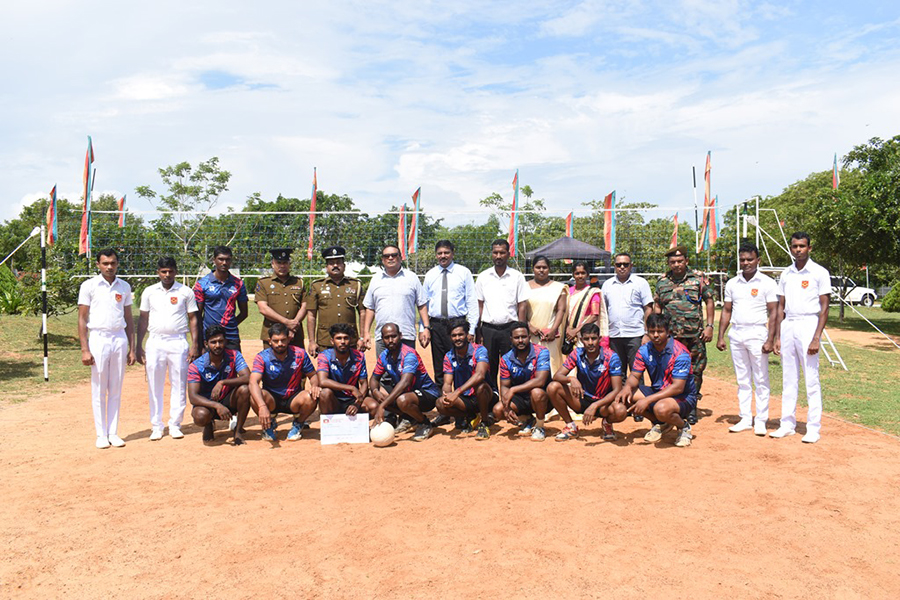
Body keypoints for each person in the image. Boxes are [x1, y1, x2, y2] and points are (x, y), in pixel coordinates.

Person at [772, 232, 831, 443]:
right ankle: (787, 424)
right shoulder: (786, 274)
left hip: (808, 324)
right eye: (795, 246)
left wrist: (816, 337)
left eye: (802, 246)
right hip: (789, 324)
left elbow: (824, 307)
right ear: (791, 247)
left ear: (809, 248)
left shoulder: (819, 272)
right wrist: (778, 336)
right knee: (789, 378)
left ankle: (813, 427)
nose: (798, 250)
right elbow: (780, 306)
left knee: (811, 378)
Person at [135, 257, 201, 441]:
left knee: (179, 383)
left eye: (170, 271)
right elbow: (143, 319)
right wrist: (138, 345)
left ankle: (175, 424)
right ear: (158, 272)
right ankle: (156, 426)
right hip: (155, 341)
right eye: (163, 271)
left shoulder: (185, 291)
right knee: (154, 384)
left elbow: (193, 318)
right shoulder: (149, 292)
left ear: (176, 271)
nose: (167, 275)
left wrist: (194, 344)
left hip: (178, 341)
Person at [716, 242, 778, 436]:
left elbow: (774, 311)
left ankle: (761, 420)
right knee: (742, 379)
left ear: (758, 260)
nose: (746, 263)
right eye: (742, 260)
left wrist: (770, 339)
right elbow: (727, 310)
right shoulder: (733, 283)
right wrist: (721, 336)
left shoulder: (767, 283)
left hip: (757, 333)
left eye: (750, 259)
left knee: (760, 378)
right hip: (737, 333)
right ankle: (745, 418)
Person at [78, 248, 136, 449]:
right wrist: (85, 349)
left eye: (112, 263)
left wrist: (132, 348)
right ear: (98, 265)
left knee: (116, 387)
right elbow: (82, 318)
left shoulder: (124, 286)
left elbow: (128, 318)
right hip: (99, 338)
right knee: (99, 387)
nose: (109, 267)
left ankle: (113, 432)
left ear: (117, 263)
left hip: (119, 337)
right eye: (105, 263)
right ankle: (101, 434)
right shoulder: (89, 286)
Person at [615, 313, 698, 448]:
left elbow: (678, 387)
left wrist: (647, 400)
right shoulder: (644, 350)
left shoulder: (680, 353)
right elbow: (635, 376)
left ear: (668, 332)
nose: (655, 335)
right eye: (652, 331)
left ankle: (684, 427)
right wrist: (626, 389)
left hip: (683, 397)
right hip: (659, 391)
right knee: (626, 397)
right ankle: (661, 423)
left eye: (660, 331)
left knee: (661, 408)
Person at [654, 246, 715, 424]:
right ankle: (672, 405)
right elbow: (658, 306)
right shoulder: (662, 281)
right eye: (673, 262)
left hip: (695, 336)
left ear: (686, 261)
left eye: (680, 261)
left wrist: (710, 326)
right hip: (671, 339)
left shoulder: (698, 279)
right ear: (668, 263)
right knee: (670, 372)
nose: (677, 264)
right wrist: (657, 330)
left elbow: (709, 300)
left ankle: (691, 408)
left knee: (695, 371)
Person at [548, 323, 624, 441]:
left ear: (599, 339)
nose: (590, 342)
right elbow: (557, 376)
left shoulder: (611, 357)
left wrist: (595, 405)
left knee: (620, 411)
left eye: (593, 338)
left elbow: (617, 389)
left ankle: (607, 423)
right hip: (581, 399)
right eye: (586, 339)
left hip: (603, 403)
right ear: (581, 340)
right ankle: (570, 426)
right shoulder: (577, 353)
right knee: (553, 387)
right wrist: (571, 379)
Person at [369, 323, 442, 442]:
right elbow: (373, 379)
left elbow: (405, 383)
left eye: (394, 336)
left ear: (400, 336)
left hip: (428, 394)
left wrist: (382, 405)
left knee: (402, 400)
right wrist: (375, 391)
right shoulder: (384, 356)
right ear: (382, 339)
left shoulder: (409, 354)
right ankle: (409, 418)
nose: (390, 340)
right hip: (407, 394)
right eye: (386, 337)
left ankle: (424, 423)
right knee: (373, 393)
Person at [249, 323, 320, 442]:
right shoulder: (262, 357)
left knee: (311, 397)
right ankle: (269, 424)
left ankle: (298, 423)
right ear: (269, 341)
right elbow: (253, 383)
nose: (280, 344)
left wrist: (315, 385)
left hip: (293, 398)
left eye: (283, 340)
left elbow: (312, 375)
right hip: (272, 400)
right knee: (254, 396)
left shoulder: (300, 354)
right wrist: (262, 406)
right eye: (276, 341)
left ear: (289, 339)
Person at [475, 239, 530, 392]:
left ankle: (513, 401)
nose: (498, 256)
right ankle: (492, 401)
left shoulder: (517, 277)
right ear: (491, 254)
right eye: (495, 252)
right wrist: (477, 329)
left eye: (502, 252)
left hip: (510, 329)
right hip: (488, 329)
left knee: (512, 365)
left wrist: (521, 329)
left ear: (509, 254)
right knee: (489, 365)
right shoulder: (483, 277)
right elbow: (479, 304)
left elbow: (522, 305)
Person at [422, 240, 479, 381]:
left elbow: (472, 301)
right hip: (437, 325)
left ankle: (463, 397)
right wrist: (424, 328)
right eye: (440, 253)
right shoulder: (430, 274)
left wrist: (471, 330)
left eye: (446, 252)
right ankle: (442, 396)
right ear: (436, 255)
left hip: (457, 323)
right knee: (439, 363)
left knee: (462, 361)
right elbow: (424, 304)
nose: (443, 256)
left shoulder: (464, 273)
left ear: (452, 253)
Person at [187, 325, 251, 445]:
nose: (217, 345)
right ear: (206, 344)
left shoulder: (234, 355)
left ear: (225, 341)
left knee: (245, 390)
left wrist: (222, 382)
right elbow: (193, 397)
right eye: (213, 342)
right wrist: (216, 405)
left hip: (228, 400)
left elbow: (248, 377)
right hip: (208, 404)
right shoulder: (196, 366)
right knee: (200, 416)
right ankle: (208, 424)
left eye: (221, 341)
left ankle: (238, 431)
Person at [362, 245, 430, 357]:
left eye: (394, 255)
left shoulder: (412, 278)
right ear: (383, 260)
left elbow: (422, 304)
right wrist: (366, 333)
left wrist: (426, 328)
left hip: (406, 335)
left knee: (407, 371)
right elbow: (370, 308)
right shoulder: (376, 280)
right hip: (382, 337)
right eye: (386, 256)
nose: (390, 258)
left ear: (400, 257)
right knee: (383, 372)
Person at [494, 322, 552, 441]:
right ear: (511, 339)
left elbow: (540, 381)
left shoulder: (541, 352)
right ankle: (527, 419)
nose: (520, 340)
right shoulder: (506, 359)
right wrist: (506, 406)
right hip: (520, 399)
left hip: (542, 398)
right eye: (516, 337)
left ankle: (540, 426)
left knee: (536, 392)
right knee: (498, 410)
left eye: (524, 337)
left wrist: (514, 389)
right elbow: (504, 386)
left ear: (529, 337)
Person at [435, 318, 492, 437]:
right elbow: (447, 383)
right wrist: (447, 396)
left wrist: (456, 392)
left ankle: (485, 422)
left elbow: (480, 375)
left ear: (466, 334)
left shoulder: (480, 350)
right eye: (454, 335)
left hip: (485, 395)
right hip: (464, 398)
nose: (457, 338)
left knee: (480, 387)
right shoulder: (449, 356)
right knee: (440, 404)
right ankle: (468, 416)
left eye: (460, 334)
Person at [601, 252, 653, 377]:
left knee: (637, 372)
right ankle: (620, 397)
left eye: (625, 264)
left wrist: (647, 334)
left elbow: (648, 309)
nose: (622, 267)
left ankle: (638, 396)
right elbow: (603, 311)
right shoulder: (607, 285)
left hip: (635, 336)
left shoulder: (641, 283)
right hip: (614, 336)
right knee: (617, 373)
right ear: (615, 266)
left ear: (631, 265)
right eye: (619, 264)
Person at [306, 246, 364, 357]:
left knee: (351, 371)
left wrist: (361, 337)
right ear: (326, 267)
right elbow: (311, 315)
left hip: (350, 340)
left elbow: (363, 312)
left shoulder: (355, 285)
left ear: (344, 266)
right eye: (331, 263)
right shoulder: (317, 286)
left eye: (338, 262)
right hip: (325, 340)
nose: (335, 266)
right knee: (325, 371)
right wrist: (312, 341)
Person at [193, 245, 248, 352]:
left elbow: (244, 313)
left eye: (227, 259)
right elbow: (197, 315)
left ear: (231, 261)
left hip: (231, 336)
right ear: (214, 260)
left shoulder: (238, 284)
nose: (224, 263)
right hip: (209, 336)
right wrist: (200, 339)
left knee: (233, 367)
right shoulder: (202, 284)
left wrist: (230, 325)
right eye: (221, 259)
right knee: (209, 368)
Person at [317, 323, 374, 417]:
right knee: (325, 393)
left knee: (373, 406)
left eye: (346, 338)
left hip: (352, 398)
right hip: (334, 399)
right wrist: (351, 388)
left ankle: (355, 425)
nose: (342, 341)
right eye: (338, 338)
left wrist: (357, 403)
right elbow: (323, 381)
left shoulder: (359, 356)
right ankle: (330, 425)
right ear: (332, 341)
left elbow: (364, 383)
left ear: (350, 340)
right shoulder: (324, 356)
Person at [255, 248, 306, 349]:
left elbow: (305, 305)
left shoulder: (299, 282)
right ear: (272, 264)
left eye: (285, 262)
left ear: (289, 264)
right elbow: (263, 309)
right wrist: (287, 323)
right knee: (272, 363)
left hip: (294, 335)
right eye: (279, 262)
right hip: (272, 336)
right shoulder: (264, 283)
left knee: (297, 364)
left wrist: (293, 326)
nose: (282, 266)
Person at [525, 255, 567, 374]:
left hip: (551, 336)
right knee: (532, 365)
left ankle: (553, 390)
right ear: (533, 269)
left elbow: (561, 310)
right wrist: (529, 327)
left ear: (549, 269)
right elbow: (520, 310)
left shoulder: (559, 288)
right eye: (538, 267)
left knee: (551, 364)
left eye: (544, 267)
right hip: (531, 334)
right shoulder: (524, 287)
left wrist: (553, 330)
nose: (541, 270)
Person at [564, 261, 606, 350]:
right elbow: (564, 312)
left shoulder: (593, 292)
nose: (580, 276)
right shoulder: (568, 291)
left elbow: (594, 316)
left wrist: (576, 330)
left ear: (587, 275)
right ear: (573, 275)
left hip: (585, 335)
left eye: (583, 273)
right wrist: (568, 329)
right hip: (568, 335)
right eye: (577, 273)